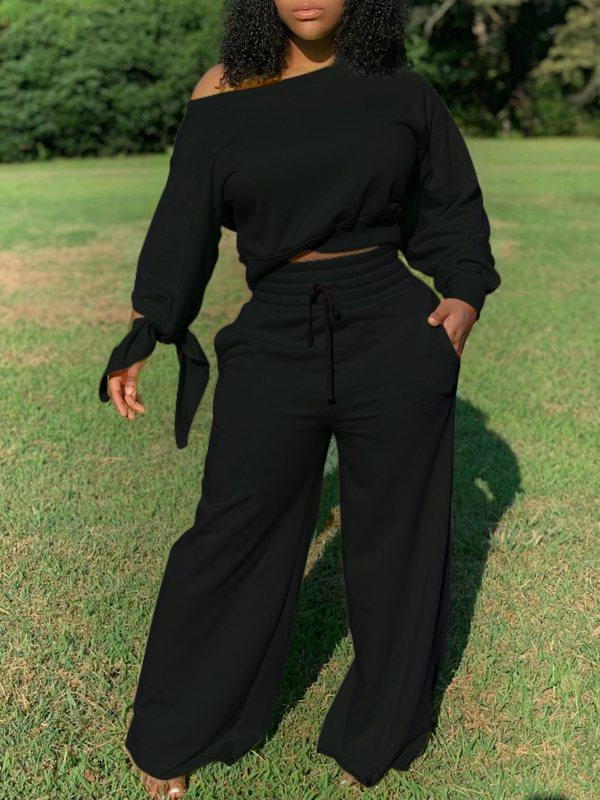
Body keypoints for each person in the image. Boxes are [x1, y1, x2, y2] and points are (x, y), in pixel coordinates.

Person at [98, 0, 500, 796]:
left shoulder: (398, 87)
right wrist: (150, 327)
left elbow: (449, 201)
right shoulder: (222, 91)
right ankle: (178, 731)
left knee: (397, 538)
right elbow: (184, 218)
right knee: (232, 530)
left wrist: (462, 294)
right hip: (276, 329)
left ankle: (379, 731)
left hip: (390, 324)